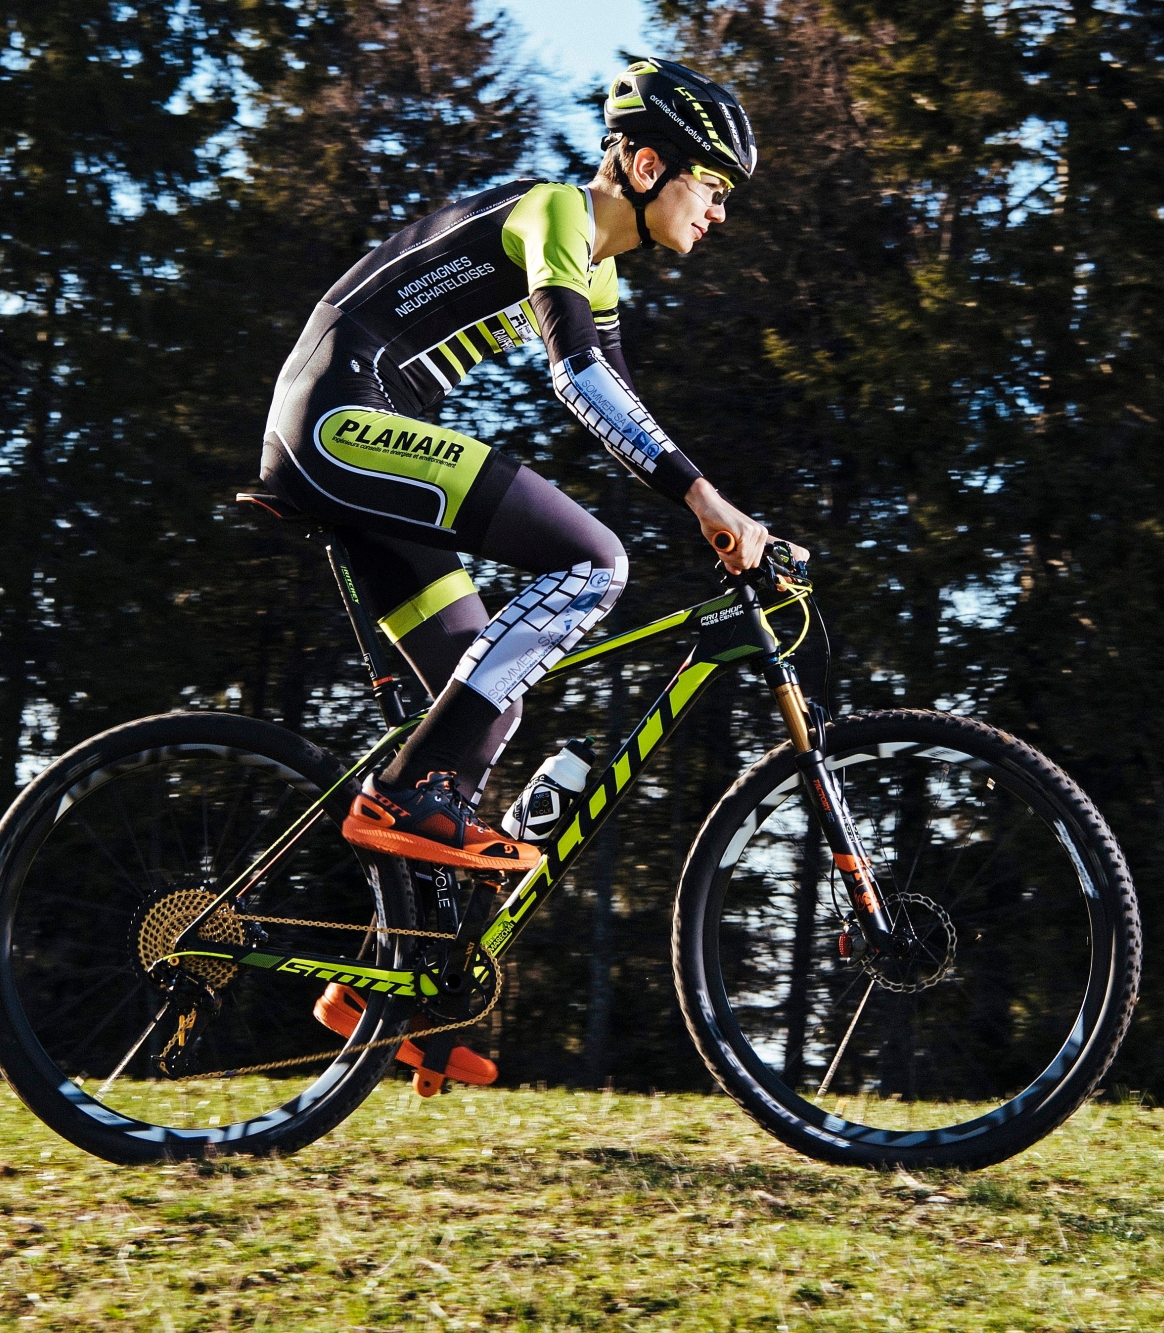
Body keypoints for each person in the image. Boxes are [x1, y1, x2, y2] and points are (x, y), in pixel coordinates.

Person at [258, 59, 796, 1082]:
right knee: (594, 563)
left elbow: (619, 410)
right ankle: (404, 804)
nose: (720, 211)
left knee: (482, 696)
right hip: (339, 425)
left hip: (357, 437)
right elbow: (576, 375)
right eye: (711, 185)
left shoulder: (595, 269)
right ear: (644, 163)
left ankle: (395, 990)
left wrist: (720, 509)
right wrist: (702, 499)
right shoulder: (553, 211)